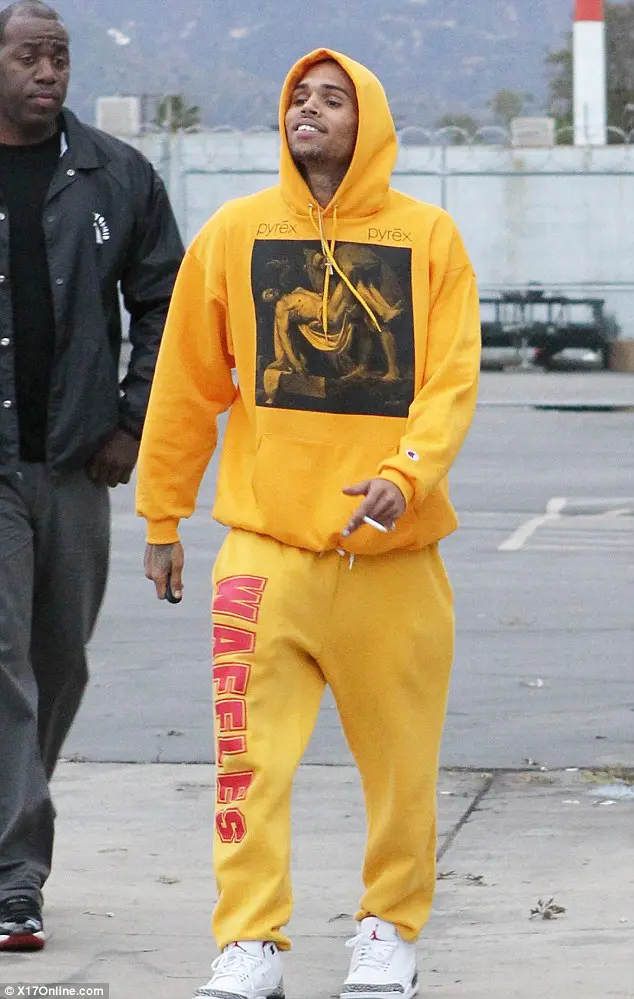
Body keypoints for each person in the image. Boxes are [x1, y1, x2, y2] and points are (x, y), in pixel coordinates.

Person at [138, 48, 480, 999]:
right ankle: (249, 941)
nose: (309, 109)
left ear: (368, 123)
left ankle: (388, 929)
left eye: (332, 99)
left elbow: (451, 380)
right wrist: (163, 513)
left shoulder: (429, 238)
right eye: (298, 97)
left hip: (394, 561)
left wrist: (406, 474)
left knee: (403, 770)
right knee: (247, 764)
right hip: (265, 552)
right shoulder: (236, 233)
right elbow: (186, 385)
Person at [0, 0, 183, 952]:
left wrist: (131, 417)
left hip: (76, 456)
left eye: (60, 57)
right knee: (3, 661)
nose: (49, 72)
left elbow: (167, 301)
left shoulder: (116, 172)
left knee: (59, 659)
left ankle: (7, 828)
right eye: (30, 56)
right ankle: (15, 877)